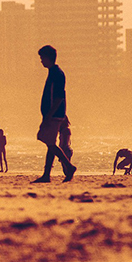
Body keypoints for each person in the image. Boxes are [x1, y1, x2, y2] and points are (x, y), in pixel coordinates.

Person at [32, 45, 77, 183]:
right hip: (54, 114)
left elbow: (58, 97)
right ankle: (46, 174)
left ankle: (69, 167)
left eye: (42, 58)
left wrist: (49, 115)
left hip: (54, 114)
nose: (41, 61)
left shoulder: (57, 74)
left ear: (48, 58)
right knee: (50, 143)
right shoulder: (53, 72)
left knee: (49, 142)